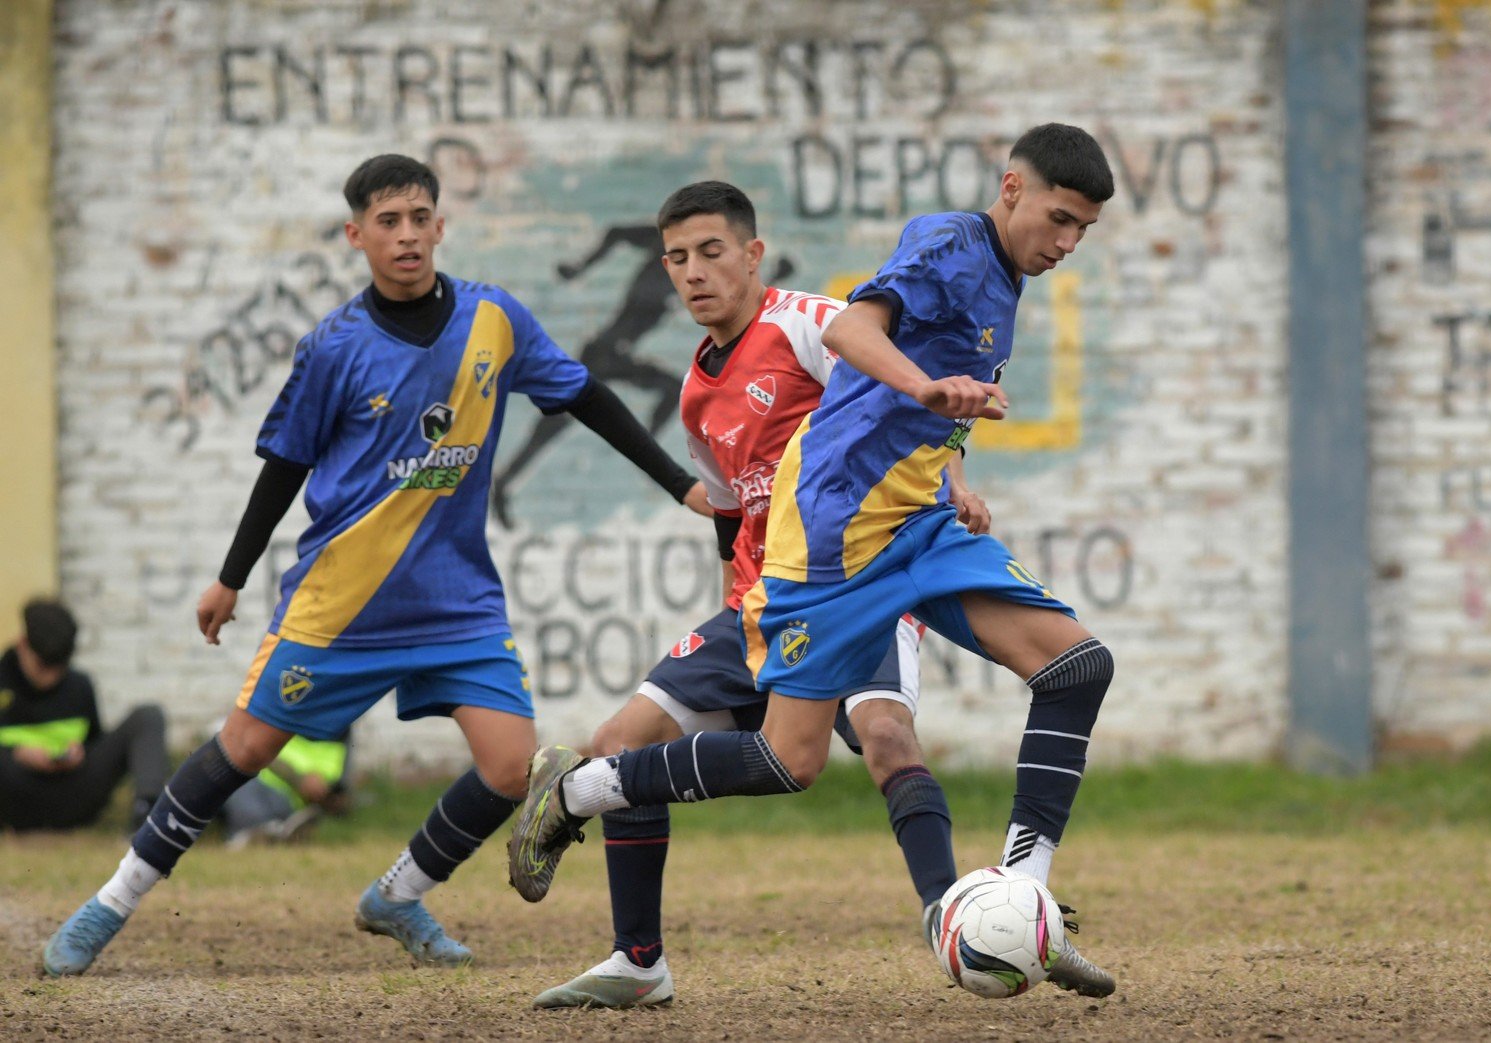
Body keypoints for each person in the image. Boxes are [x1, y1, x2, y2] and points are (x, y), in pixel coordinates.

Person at [42, 153, 710, 977]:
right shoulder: (333, 347)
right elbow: (283, 464)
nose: (406, 236)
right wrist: (232, 575)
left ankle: (397, 894)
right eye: (386, 222)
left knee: (510, 766)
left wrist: (681, 484)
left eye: (418, 218)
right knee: (244, 748)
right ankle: (109, 902)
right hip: (342, 602)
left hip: (455, 600)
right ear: (357, 235)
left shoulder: (494, 319)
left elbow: (584, 396)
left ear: (439, 226)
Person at [511, 124, 1120, 997]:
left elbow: (919, 406)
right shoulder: (950, 241)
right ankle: (579, 790)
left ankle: (1023, 896)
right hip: (833, 535)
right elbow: (854, 329)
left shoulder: (1009, 278)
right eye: (1059, 219)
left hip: (913, 522)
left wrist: (946, 462)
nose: (1065, 243)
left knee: (1075, 668)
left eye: (1082, 231)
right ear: (1012, 187)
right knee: (783, 760)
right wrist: (926, 387)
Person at [0, 599, 167, 833]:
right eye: (42, 666)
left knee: (148, 716)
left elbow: (94, 743)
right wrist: (17, 755)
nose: (51, 677)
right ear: (22, 645)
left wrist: (79, 754)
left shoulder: (79, 685)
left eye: (59, 666)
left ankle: (147, 818)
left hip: (71, 793)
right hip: (14, 795)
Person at [220, 729, 352, 848]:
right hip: (259, 783)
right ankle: (265, 833)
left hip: (289, 800)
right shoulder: (278, 722)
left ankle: (263, 833)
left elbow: (339, 796)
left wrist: (323, 791)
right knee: (240, 783)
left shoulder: (339, 740)